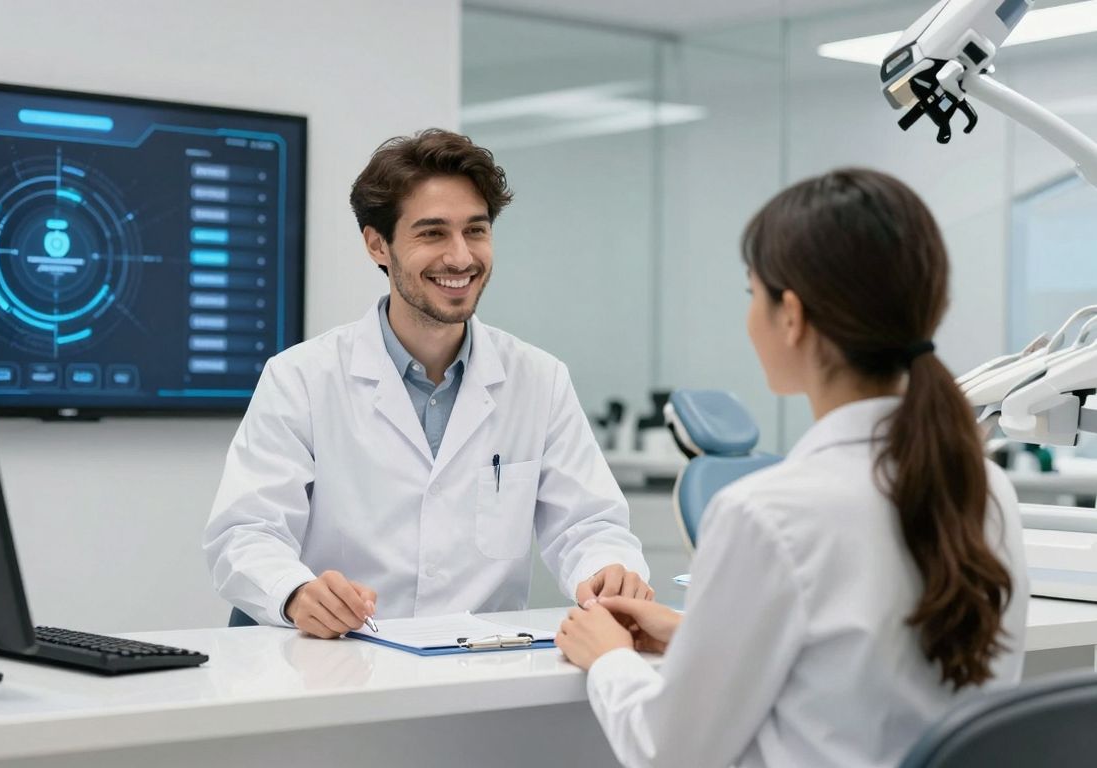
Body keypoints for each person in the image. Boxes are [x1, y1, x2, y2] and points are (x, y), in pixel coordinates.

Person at [555, 168, 1027, 767]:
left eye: (752, 294)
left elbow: (667, 752)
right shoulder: (987, 492)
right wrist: (691, 634)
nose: (749, 316)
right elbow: (857, 669)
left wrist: (609, 659)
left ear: (791, 317)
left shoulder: (767, 513)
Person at [204, 129, 652, 638]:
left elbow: (588, 524)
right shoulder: (302, 378)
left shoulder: (539, 379)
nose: (461, 257)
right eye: (432, 233)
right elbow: (246, 532)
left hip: (478, 663)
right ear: (378, 244)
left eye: (476, 231)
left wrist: (607, 570)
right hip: (338, 662)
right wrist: (294, 592)